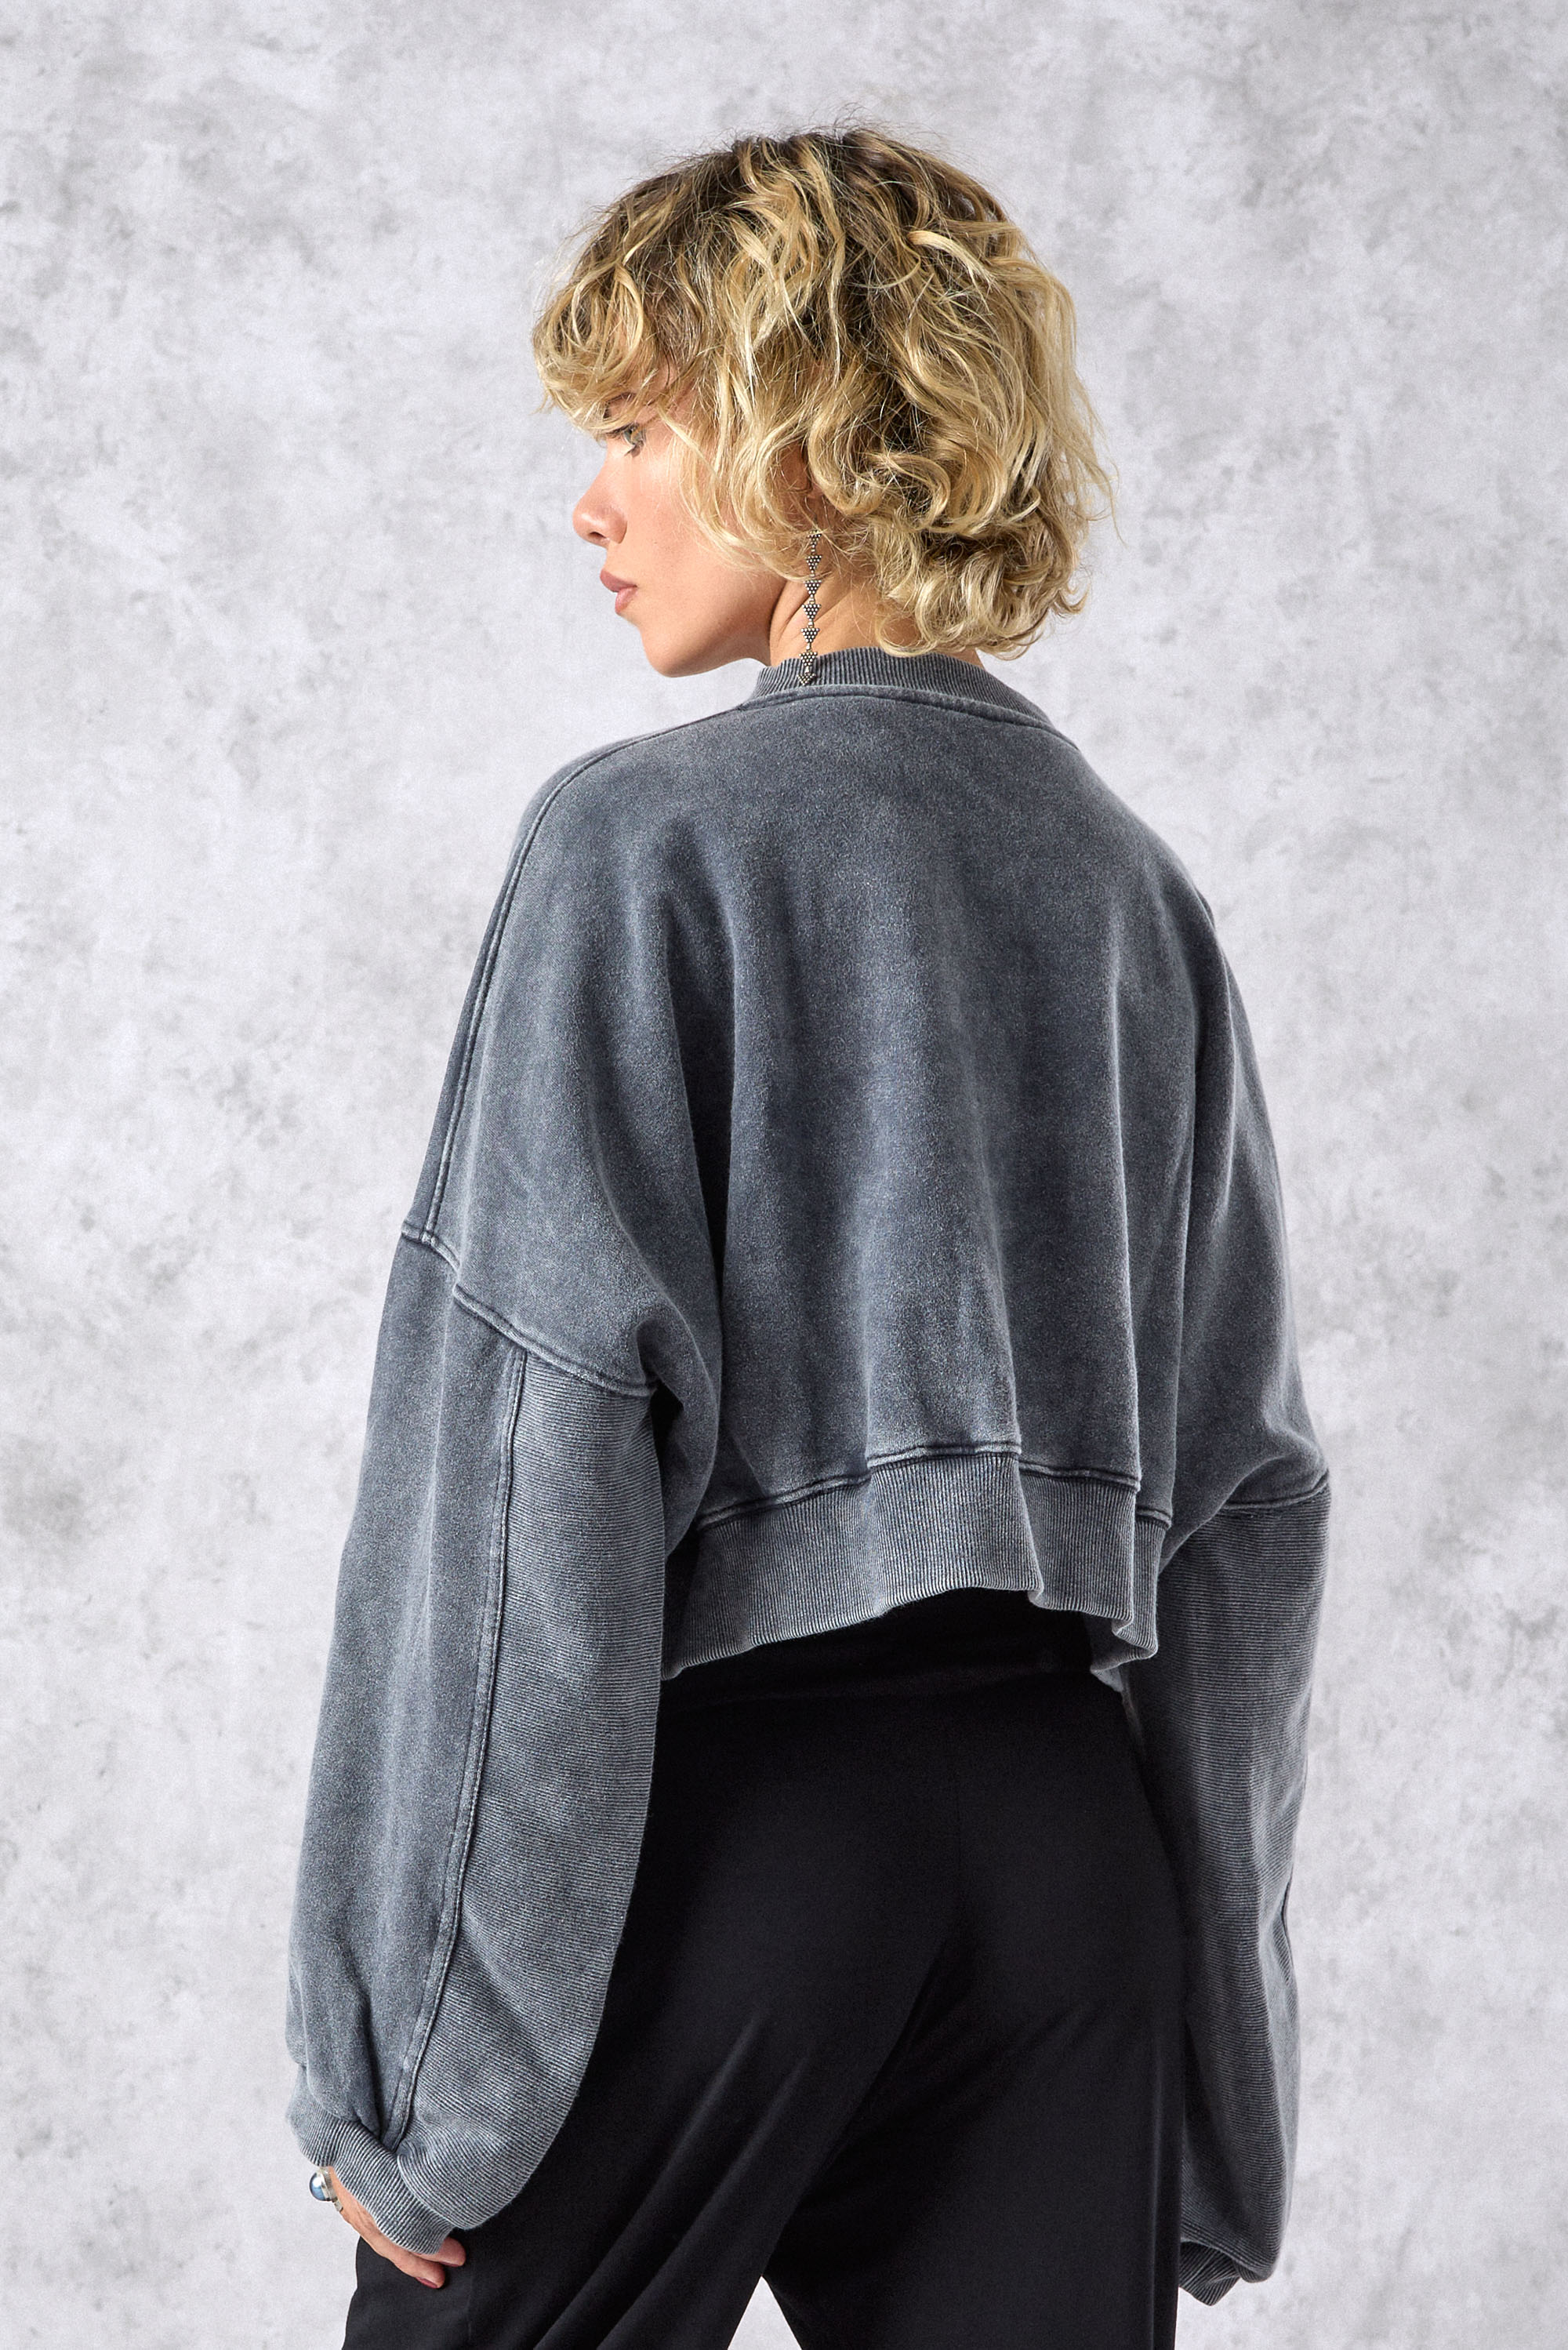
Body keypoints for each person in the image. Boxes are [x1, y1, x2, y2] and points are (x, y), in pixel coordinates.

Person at [284, 126, 1330, 2350]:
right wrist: (1216, 2098)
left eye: (642, 429)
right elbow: (1244, 1515)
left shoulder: (639, 848)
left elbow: (524, 1474)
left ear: (816, 440)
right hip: (1066, 1869)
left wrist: (415, 2089)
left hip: (735, 1842)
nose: (594, 503)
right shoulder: (1134, 893)